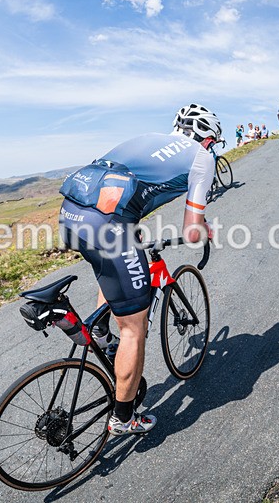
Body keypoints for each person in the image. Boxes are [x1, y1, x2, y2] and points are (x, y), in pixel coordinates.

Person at [58, 103, 216, 435]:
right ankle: (123, 418)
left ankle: (97, 330)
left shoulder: (150, 139)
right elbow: (190, 231)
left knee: (113, 265)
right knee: (134, 329)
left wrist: (130, 225)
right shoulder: (202, 158)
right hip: (108, 223)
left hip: (71, 213)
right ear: (208, 139)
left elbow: (123, 183)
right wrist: (204, 230)